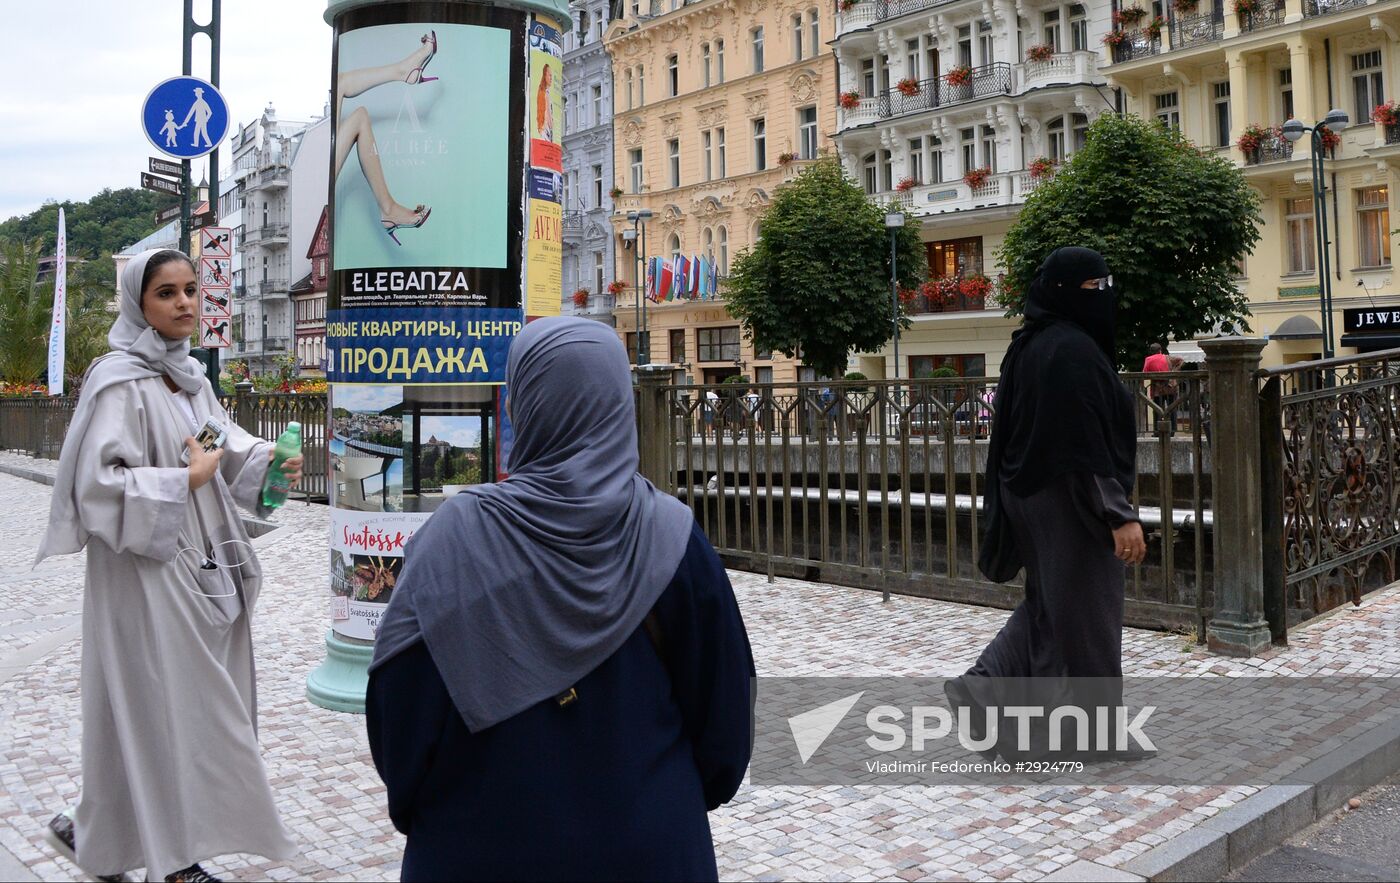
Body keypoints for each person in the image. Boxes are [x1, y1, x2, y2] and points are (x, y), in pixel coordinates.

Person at [366, 317, 755, 882]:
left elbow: (399, 724)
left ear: (523, 404)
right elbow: (726, 725)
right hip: (649, 848)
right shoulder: (673, 538)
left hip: (478, 847)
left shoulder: (451, 541)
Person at [36, 249, 303, 883]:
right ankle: (177, 862)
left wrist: (266, 458)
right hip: (140, 573)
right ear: (139, 304)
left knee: (157, 705)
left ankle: (100, 835)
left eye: (190, 289)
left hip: (195, 563)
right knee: (163, 705)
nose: (184, 302)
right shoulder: (117, 383)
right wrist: (182, 481)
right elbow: (97, 488)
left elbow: (213, 442)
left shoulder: (189, 378)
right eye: (166, 293)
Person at [947, 247, 1148, 761]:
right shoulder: (1071, 351)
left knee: (1051, 609)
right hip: (1069, 500)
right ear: (1064, 291)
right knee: (1091, 616)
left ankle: (987, 692)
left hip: (1029, 495)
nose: (1105, 296)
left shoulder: (1030, 345)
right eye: (1094, 287)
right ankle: (1096, 734)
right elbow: (1083, 444)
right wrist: (1118, 514)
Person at [335, 32, 437, 244]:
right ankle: (403, 71)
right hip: (312, 193)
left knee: (359, 115)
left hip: (316, 183)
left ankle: (388, 209)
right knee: (342, 86)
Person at [1142, 342, 1177, 432]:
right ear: (1160, 350)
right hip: (1169, 387)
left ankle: (1157, 431)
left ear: (1151, 351)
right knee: (1171, 409)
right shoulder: (1167, 357)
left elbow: (1144, 374)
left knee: (1157, 410)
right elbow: (1181, 360)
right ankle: (1173, 430)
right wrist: (1174, 371)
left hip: (1157, 389)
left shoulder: (1148, 359)